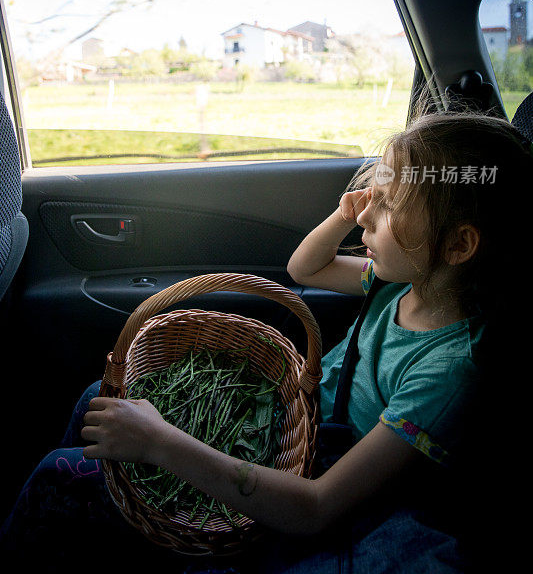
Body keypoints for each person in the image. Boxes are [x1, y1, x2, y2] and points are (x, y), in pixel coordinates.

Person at [2, 108, 532, 572]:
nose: (367, 211)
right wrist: (346, 213)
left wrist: (159, 442)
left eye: (389, 205)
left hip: (324, 475)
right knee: (95, 397)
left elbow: (318, 505)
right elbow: (304, 267)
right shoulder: (396, 283)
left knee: (61, 476)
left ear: (459, 245)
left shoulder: (448, 370)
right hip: (295, 424)